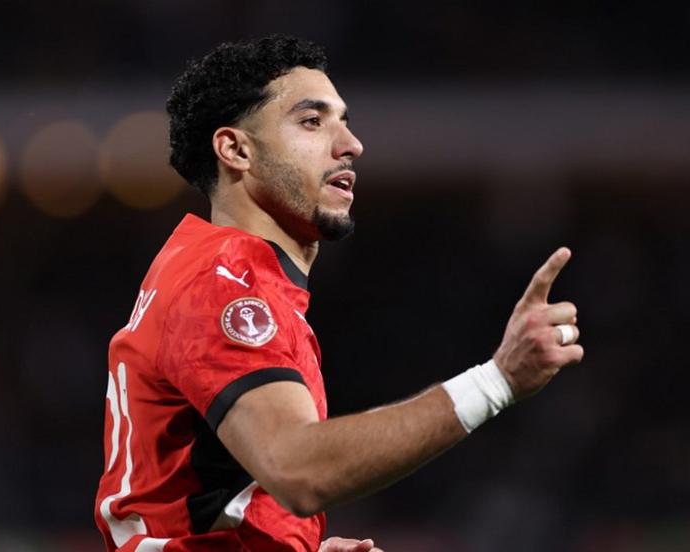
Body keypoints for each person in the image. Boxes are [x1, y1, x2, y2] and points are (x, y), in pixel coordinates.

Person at [94, 35, 583, 552]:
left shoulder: (211, 268)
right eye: (312, 121)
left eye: (344, 121)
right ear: (236, 150)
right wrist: (498, 380)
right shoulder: (225, 281)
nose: (351, 144)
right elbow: (298, 470)